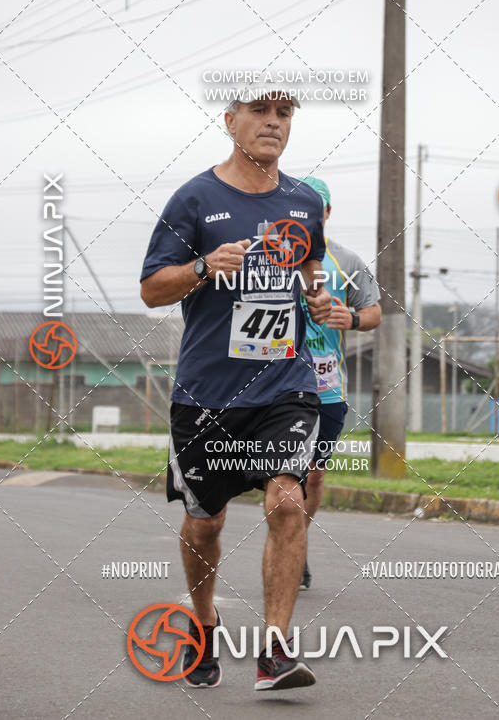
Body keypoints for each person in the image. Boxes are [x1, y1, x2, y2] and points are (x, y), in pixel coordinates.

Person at [140, 89, 331, 691]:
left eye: (284, 115)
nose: (273, 124)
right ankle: (204, 624)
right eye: (260, 112)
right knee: (206, 526)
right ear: (230, 122)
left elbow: (309, 273)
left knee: (287, 502)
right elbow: (151, 289)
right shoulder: (195, 198)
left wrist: (319, 299)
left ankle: (274, 650)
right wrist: (201, 267)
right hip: (207, 395)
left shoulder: (303, 202)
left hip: (286, 386)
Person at [298, 176, 381, 590]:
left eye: (319, 208)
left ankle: (297, 541)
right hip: (277, 381)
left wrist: (352, 318)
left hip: (327, 385)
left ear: (327, 214)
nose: (312, 215)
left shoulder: (346, 261)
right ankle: (288, 542)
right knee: (283, 476)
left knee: (312, 476)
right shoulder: (272, 256)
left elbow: (374, 312)